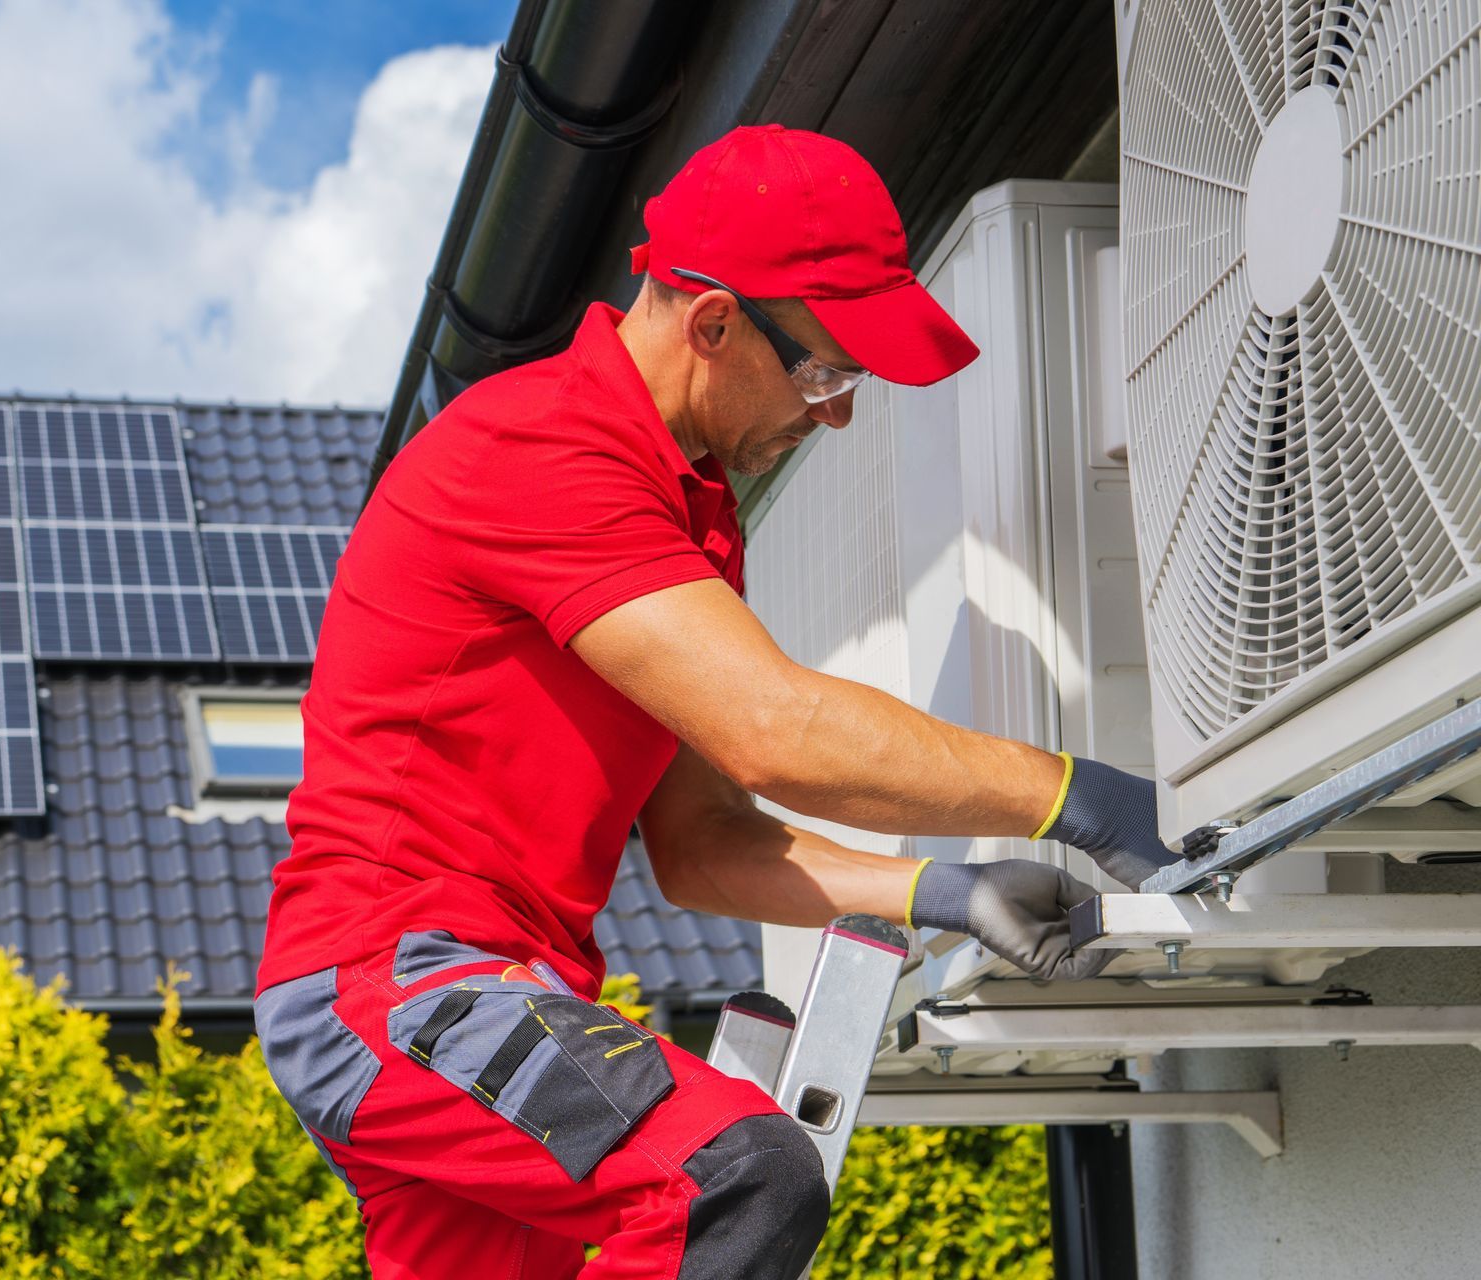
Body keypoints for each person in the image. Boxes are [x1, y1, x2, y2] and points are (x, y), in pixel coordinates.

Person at [253, 124, 1178, 1279]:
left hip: (492, 987)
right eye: (827, 372)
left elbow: (702, 842)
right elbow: (775, 729)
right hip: (401, 980)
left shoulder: (683, 512)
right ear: (714, 321)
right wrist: (1074, 795)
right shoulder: (544, 448)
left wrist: (949, 887)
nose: (835, 414)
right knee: (735, 1174)